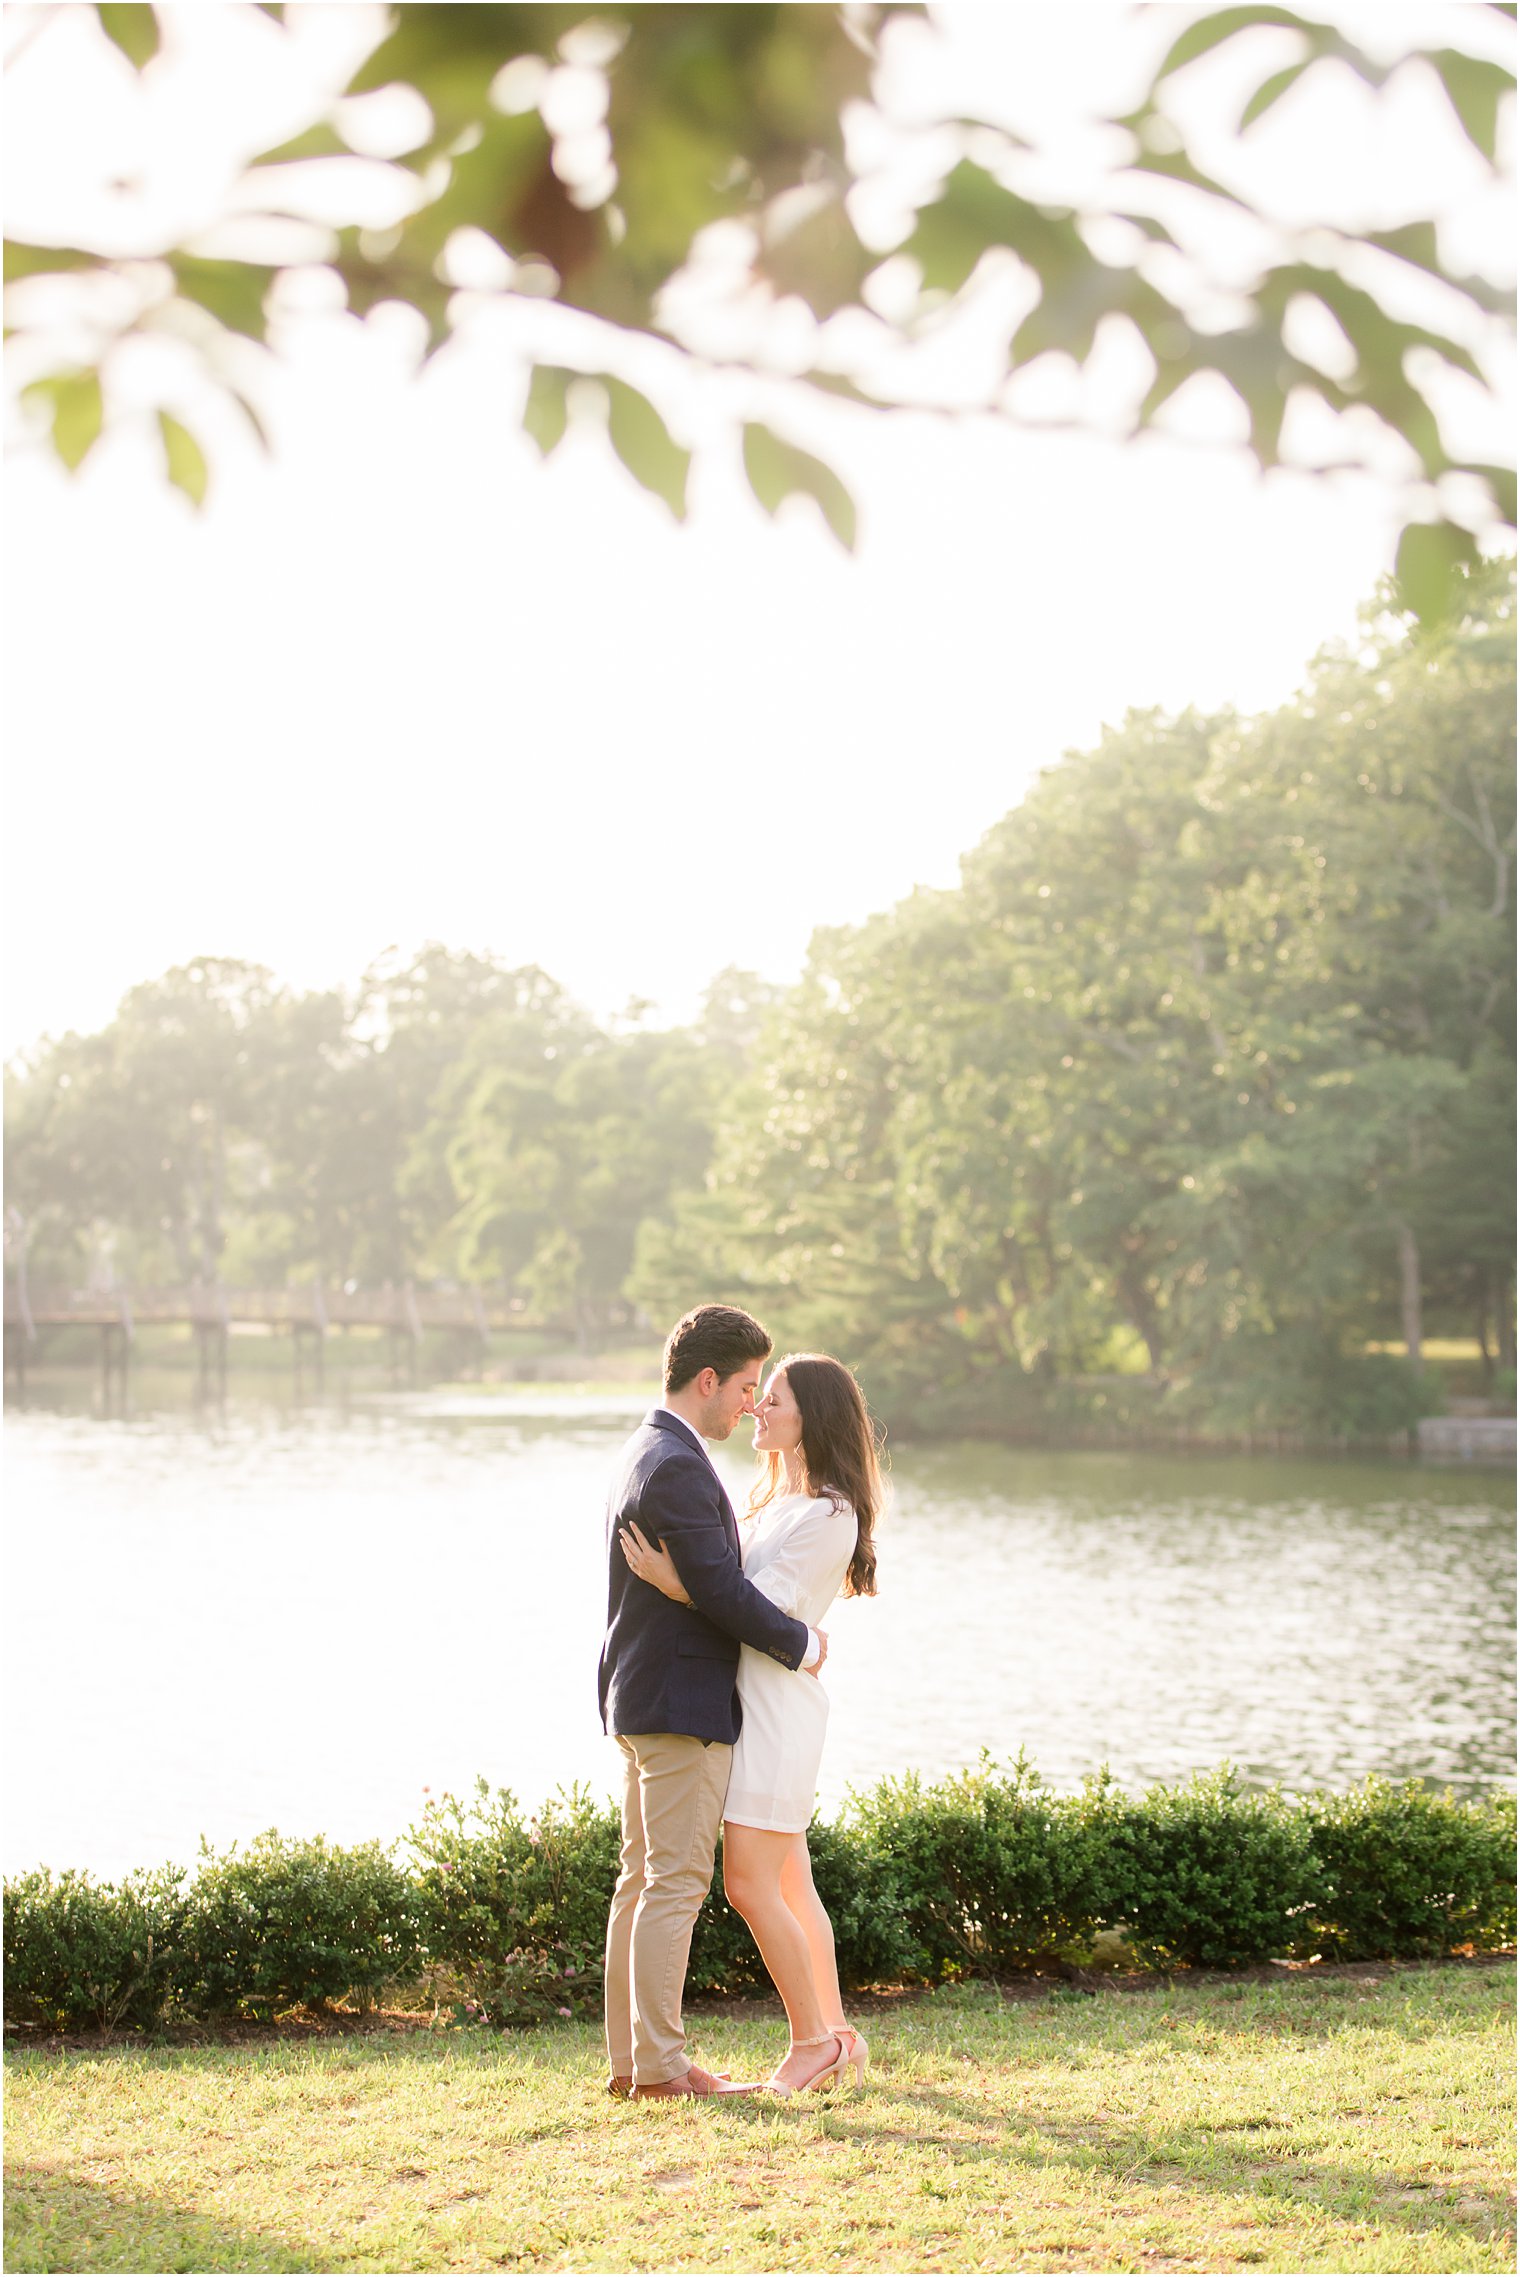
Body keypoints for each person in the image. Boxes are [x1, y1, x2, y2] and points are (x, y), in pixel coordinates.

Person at [620, 1348, 881, 2096]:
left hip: (774, 1714)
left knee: (748, 1884)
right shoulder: (770, 1498)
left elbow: (752, 1606)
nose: (756, 1409)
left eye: (774, 1400)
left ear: (812, 1420)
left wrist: (678, 1583)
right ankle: (839, 2034)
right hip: (750, 1702)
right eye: (757, 1396)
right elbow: (735, 1589)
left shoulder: (832, 1515)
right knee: (792, 1882)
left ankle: (811, 2042)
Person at [597, 1303, 828, 2102]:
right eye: (745, 1386)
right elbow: (723, 1593)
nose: (749, 1404)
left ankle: (635, 2061)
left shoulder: (647, 1448)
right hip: (680, 1702)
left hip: (642, 1696)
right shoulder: (680, 1465)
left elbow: (701, 1584)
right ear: (708, 1380)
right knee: (673, 1884)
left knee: (642, 1880)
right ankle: (658, 2068)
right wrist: (805, 1645)